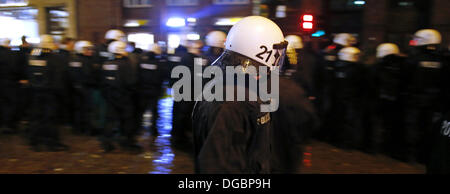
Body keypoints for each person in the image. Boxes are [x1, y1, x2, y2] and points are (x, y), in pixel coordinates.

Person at [192, 16, 288, 173]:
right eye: (277, 53)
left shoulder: (242, 89)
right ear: (262, 52)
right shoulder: (230, 103)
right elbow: (218, 166)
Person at [404, 29, 449, 164]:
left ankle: (411, 156)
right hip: (435, 103)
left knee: (413, 128)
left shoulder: (413, 60)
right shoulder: (444, 60)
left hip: (415, 101)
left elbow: (406, 80)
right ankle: (426, 155)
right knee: (430, 129)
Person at [26, 35, 69, 152]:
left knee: (36, 117)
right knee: (50, 118)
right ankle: (52, 142)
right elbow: (58, 77)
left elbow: (28, 73)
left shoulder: (33, 56)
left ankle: (34, 141)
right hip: (50, 92)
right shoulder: (55, 58)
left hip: (35, 91)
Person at [99, 40, 142, 153]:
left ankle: (106, 143)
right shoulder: (125, 63)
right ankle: (127, 142)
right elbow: (130, 81)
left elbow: (103, 81)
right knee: (127, 119)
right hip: (124, 96)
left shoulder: (106, 63)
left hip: (110, 96)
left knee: (110, 120)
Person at [317, 33, 356, 142]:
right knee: (332, 112)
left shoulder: (327, 51)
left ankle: (324, 134)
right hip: (333, 88)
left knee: (327, 111)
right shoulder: (338, 53)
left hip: (327, 87)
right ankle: (329, 135)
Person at [328, 47, 367, 150]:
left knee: (342, 121)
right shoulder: (359, 69)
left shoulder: (338, 67)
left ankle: (341, 141)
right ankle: (348, 143)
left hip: (340, 99)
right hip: (351, 100)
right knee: (350, 122)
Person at [67, 41, 96, 135]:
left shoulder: (72, 59)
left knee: (77, 109)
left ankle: (77, 129)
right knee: (87, 110)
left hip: (74, 88)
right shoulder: (86, 60)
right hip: (85, 88)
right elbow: (88, 75)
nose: (90, 51)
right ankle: (87, 129)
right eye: (88, 49)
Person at [135, 44, 164, 136]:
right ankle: (153, 130)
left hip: (142, 90)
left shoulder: (141, 61)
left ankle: (138, 128)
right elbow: (161, 78)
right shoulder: (159, 63)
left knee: (140, 111)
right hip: (154, 91)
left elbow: (137, 75)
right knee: (154, 111)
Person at [0, 38, 18, 134]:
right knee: (9, 104)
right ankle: (8, 125)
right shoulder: (10, 54)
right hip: (9, 83)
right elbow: (14, 69)